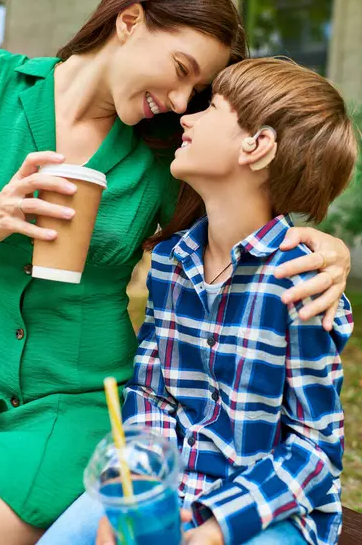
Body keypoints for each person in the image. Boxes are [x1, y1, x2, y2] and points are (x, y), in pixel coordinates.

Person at [0, 0, 350, 545]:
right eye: (180, 70)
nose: (178, 100)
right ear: (130, 20)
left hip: (81, 404)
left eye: (197, 92)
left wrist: (327, 246)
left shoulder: (165, 154)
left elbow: (253, 210)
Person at [48, 57, 357, 545]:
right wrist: (136, 491)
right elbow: (152, 395)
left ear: (256, 146)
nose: (185, 119)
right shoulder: (171, 264)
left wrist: (217, 526)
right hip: (171, 488)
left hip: (267, 512)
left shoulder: (302, 280)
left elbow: (316, 448)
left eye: (210, 107)